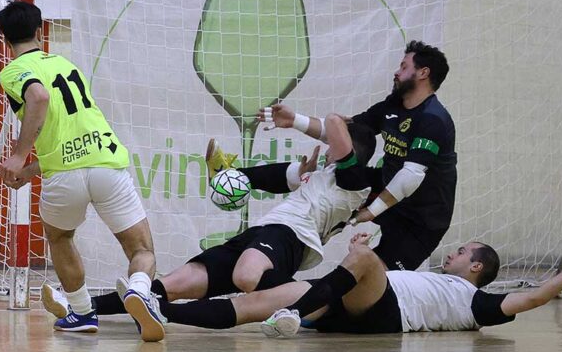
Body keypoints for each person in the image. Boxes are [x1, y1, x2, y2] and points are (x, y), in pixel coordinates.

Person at [42, 115, 377, 317]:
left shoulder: (357, 180)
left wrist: (303, 122)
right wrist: (222, 171)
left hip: (290, 238)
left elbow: (333, 123)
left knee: (248, 276)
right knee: (173, 284)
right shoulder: (322, 171)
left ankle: (313, 299)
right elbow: (260, 178)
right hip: (261, 233)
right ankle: (83, 308)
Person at [0, 1, 163, 341]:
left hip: (64, 175)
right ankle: (140, 290)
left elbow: (38, 97)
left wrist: (18, 155)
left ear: (4, 39)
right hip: (106, 165)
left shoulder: (13, 71)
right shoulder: (65, 64)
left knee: (60, 237)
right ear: (41, 31)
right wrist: (30, 170)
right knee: (142, 250)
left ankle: (83, 312)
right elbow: (71, 128)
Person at [259, 40, 456, 271]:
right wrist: (295, 121)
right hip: (387, 186)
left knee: (377, 280)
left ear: (423, 73)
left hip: (421, 218)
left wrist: (369, 213)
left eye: (403, 67)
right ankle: (285, 230)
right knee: (337, 179)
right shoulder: (392, 105)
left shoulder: (433, 120)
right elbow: (344, 132)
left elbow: (410, 177)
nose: (396, 71)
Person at [148, 236, 562, 336]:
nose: (452, 254)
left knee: (365, 259)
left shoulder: (477, 301)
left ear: (477, 267)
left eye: (462, 252)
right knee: (251, 302)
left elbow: (536, 296)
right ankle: (160, 313)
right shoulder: (432, 276)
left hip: (386, 313)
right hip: (345, 300)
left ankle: (297, 312)